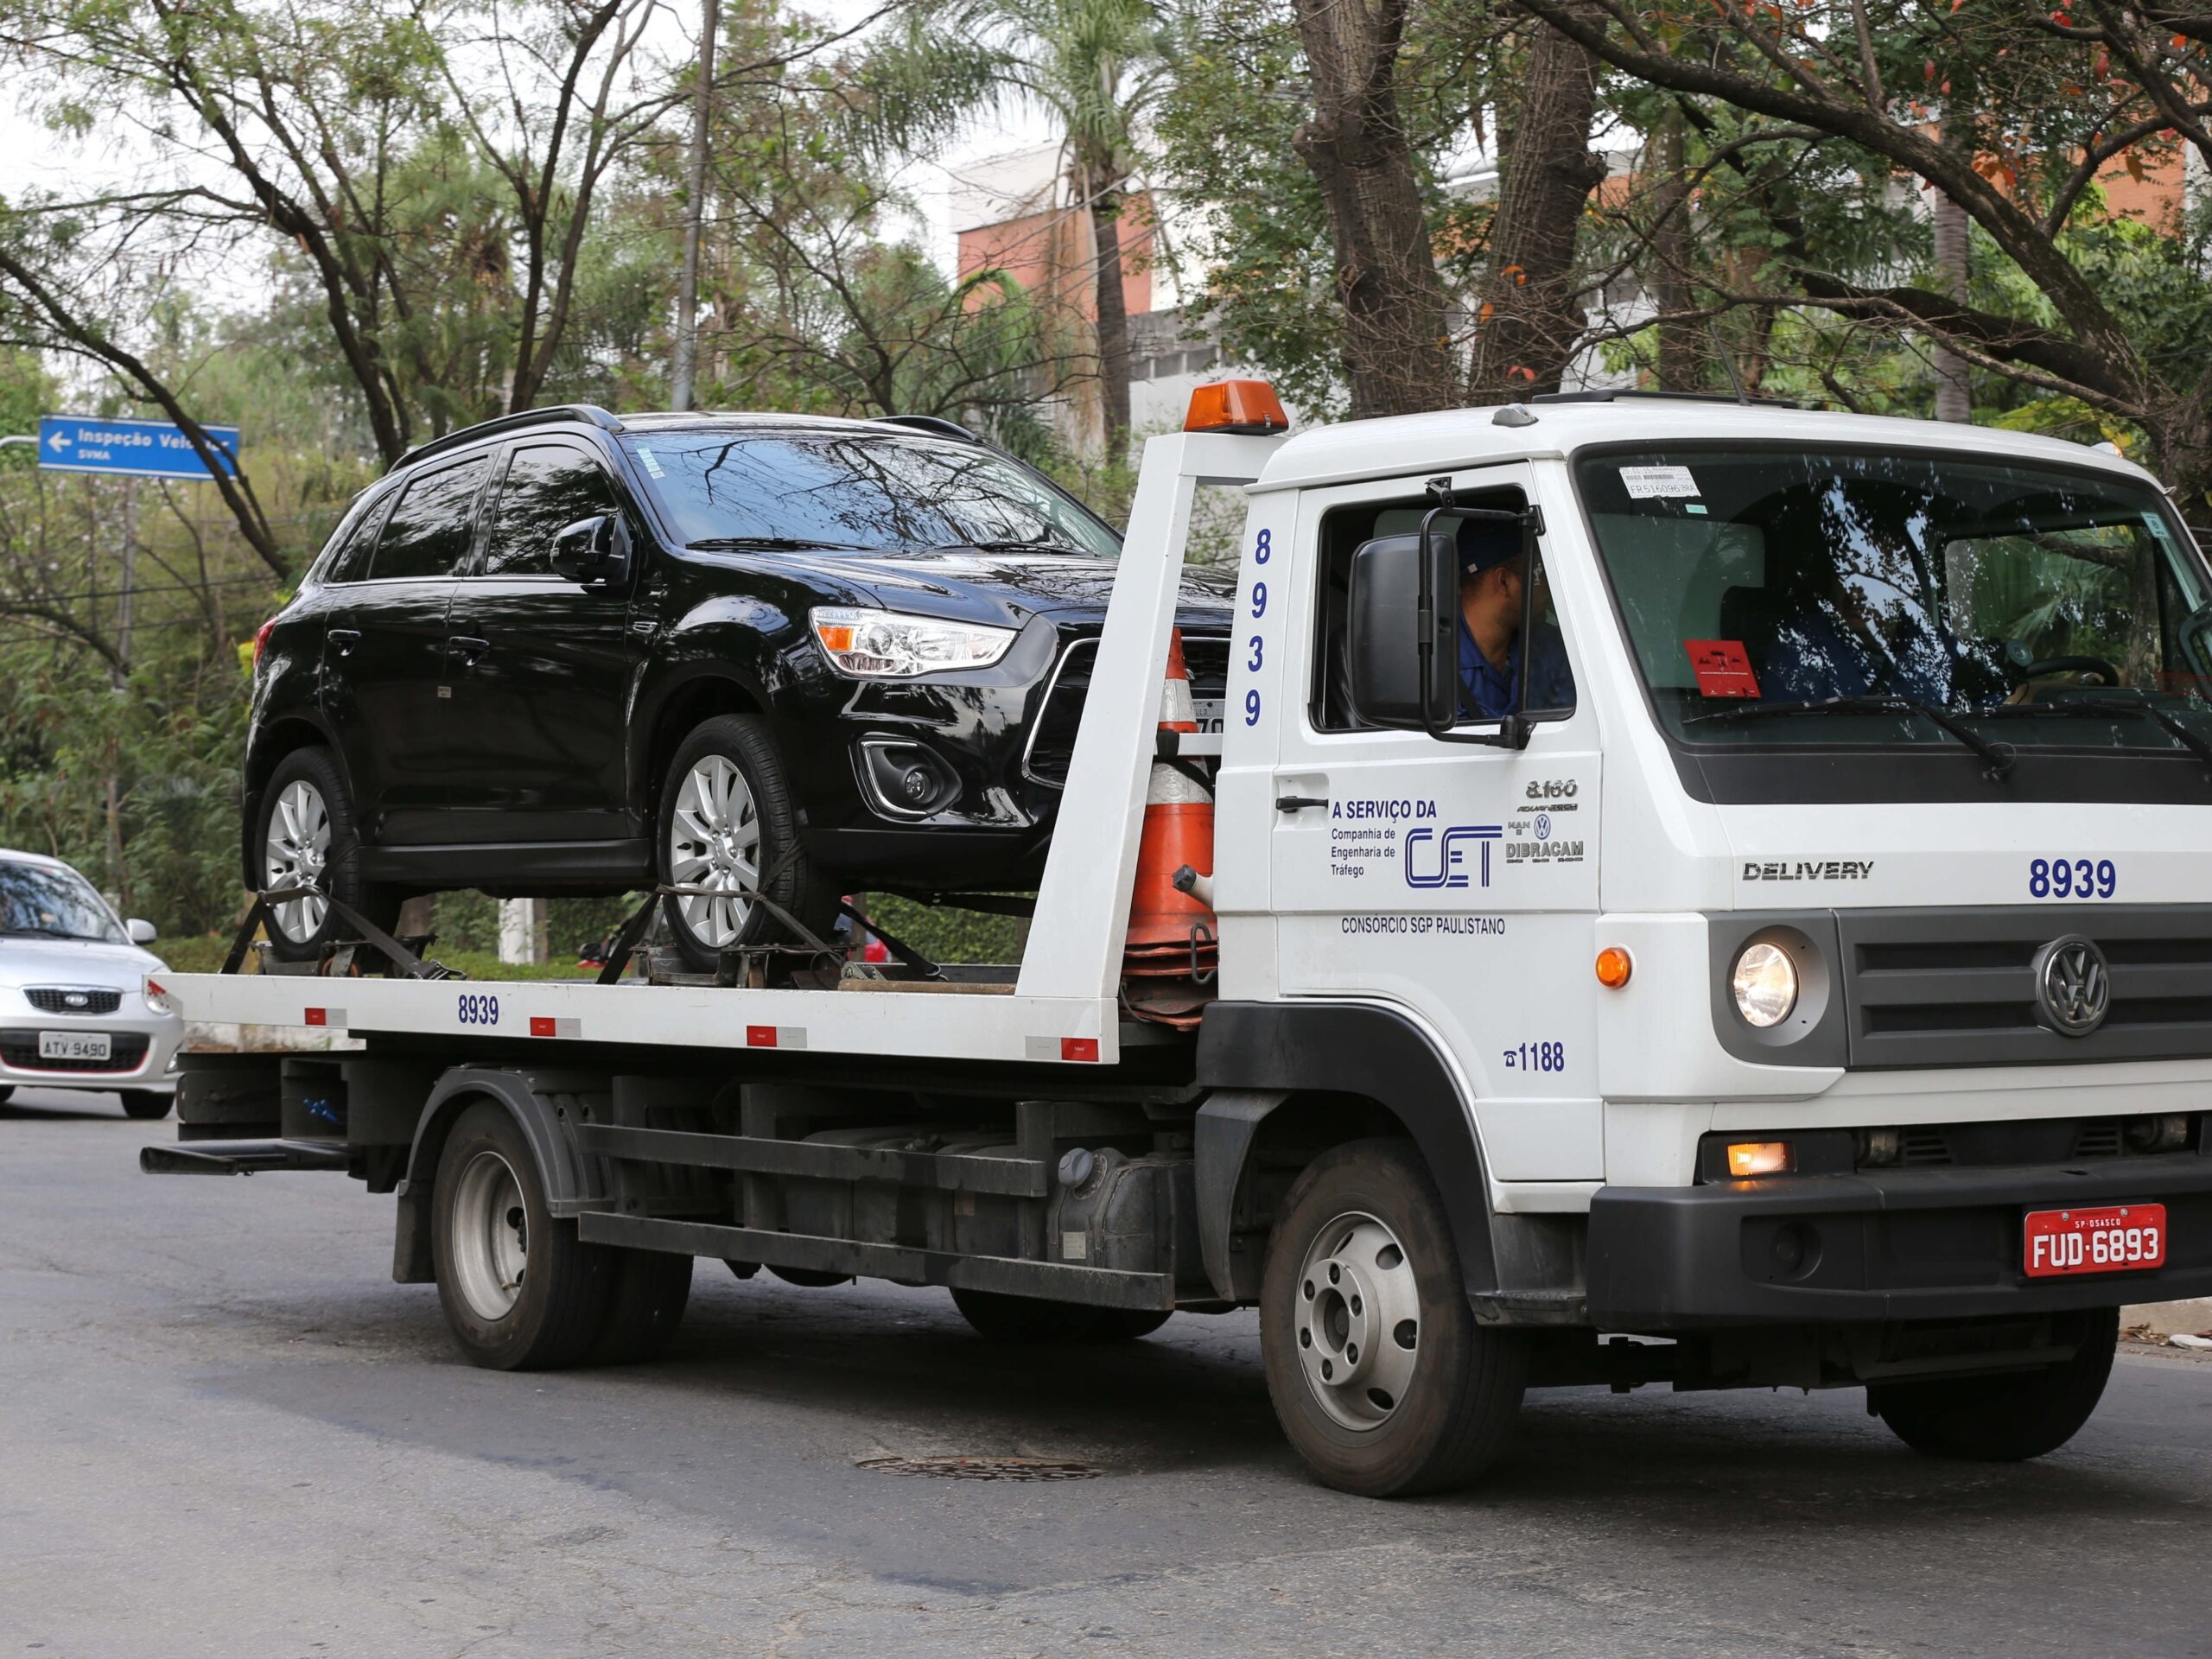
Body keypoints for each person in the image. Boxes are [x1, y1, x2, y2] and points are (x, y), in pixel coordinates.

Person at [1456, 521, 1574, 719]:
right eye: (1540, 573)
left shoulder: (1552, 647)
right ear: (1504, 582)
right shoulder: (1429, 663)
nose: (1550, 587)